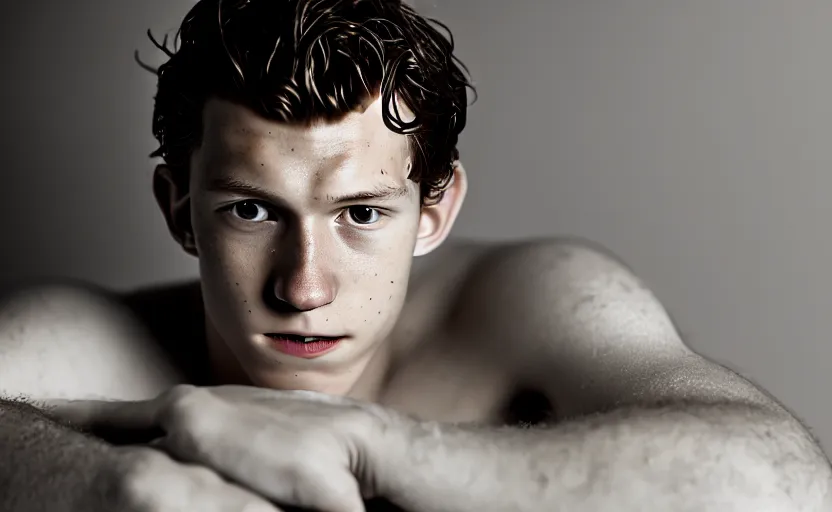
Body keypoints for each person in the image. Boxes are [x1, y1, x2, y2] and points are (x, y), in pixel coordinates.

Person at [0, 1, 829, 511]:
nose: (304, 286)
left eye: (361, 213)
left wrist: (368, 446)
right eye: (251, 210)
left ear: (436, 210)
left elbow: (782, 486)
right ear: (178, 211)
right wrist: (106, 488)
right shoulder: (89, 351)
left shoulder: (523, 307)